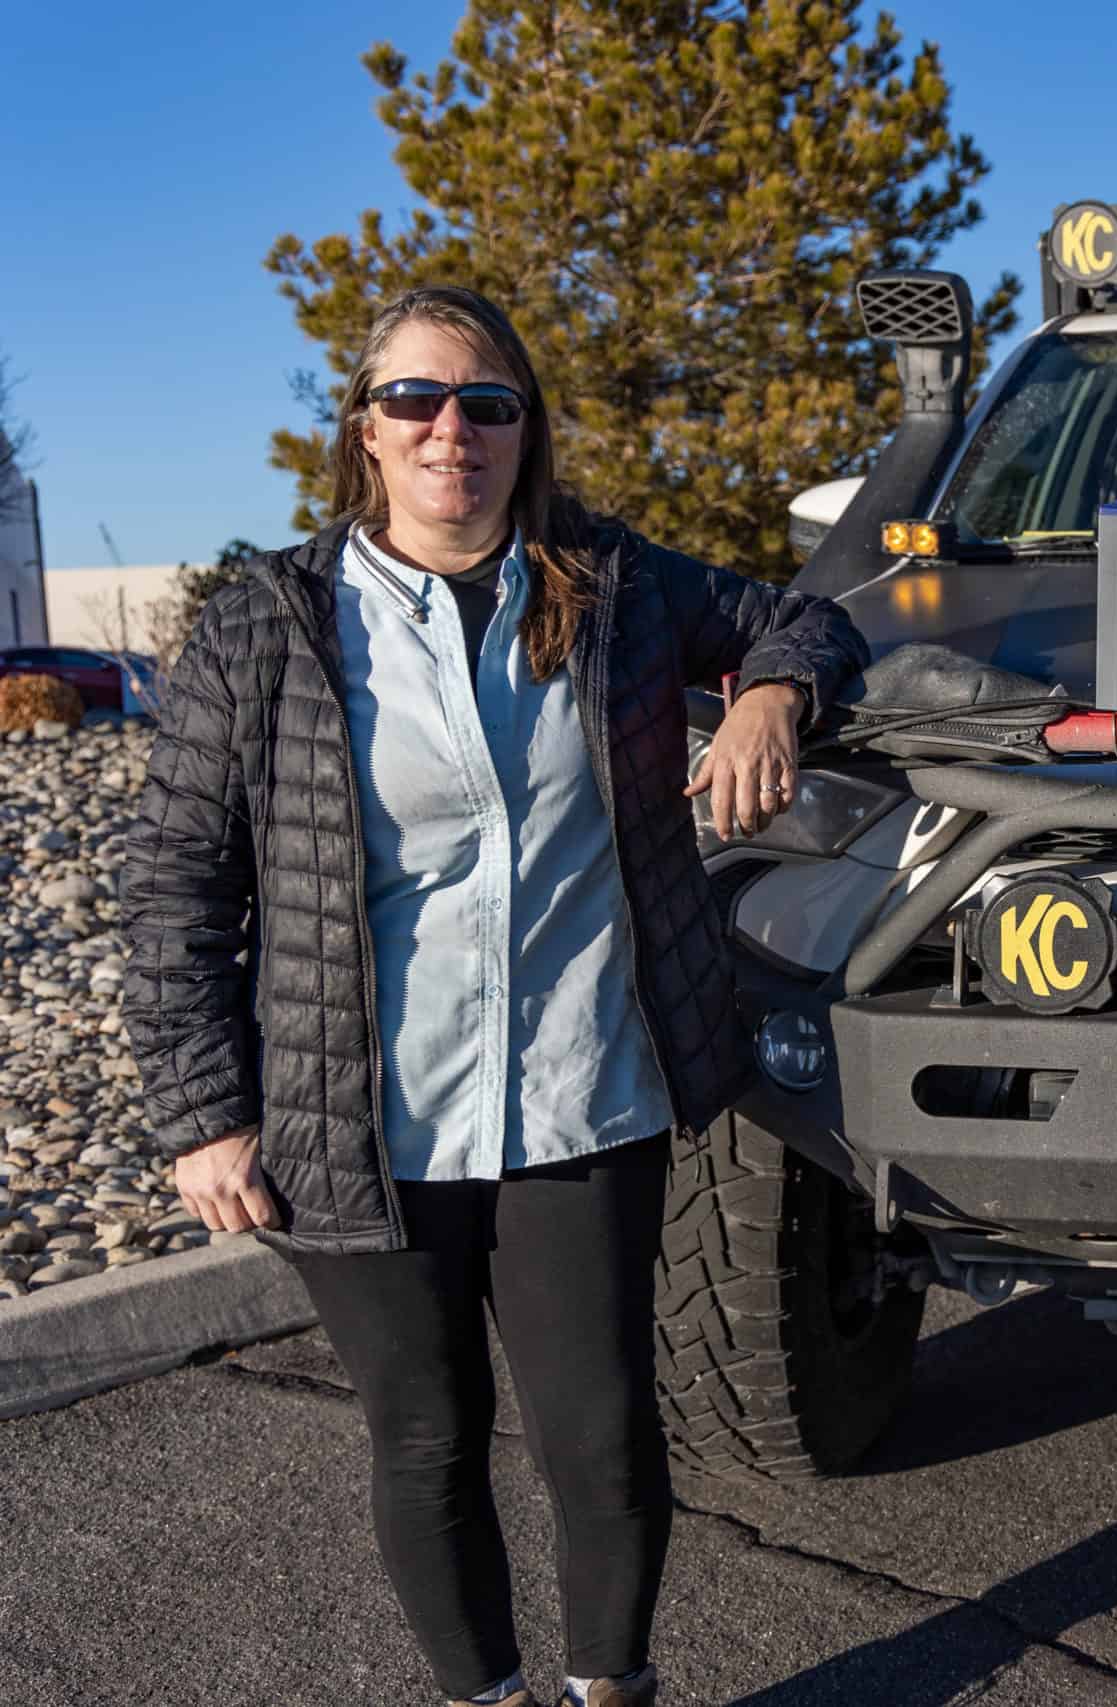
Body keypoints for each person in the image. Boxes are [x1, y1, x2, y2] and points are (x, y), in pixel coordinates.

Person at [121, 285, 865, 1707]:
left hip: (582, 1093)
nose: (449, 428)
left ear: (526, 432)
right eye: (414, 400)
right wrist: (204, 1113)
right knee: (425, 1436)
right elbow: (172, 885)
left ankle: (612, 1690)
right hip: (355, 1118)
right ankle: (486, 1698)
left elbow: (808, 619)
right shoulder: (264, 630)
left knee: (601, 1434)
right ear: (365, 430)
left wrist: (769, 689)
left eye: (486, 403)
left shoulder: (620, 590)